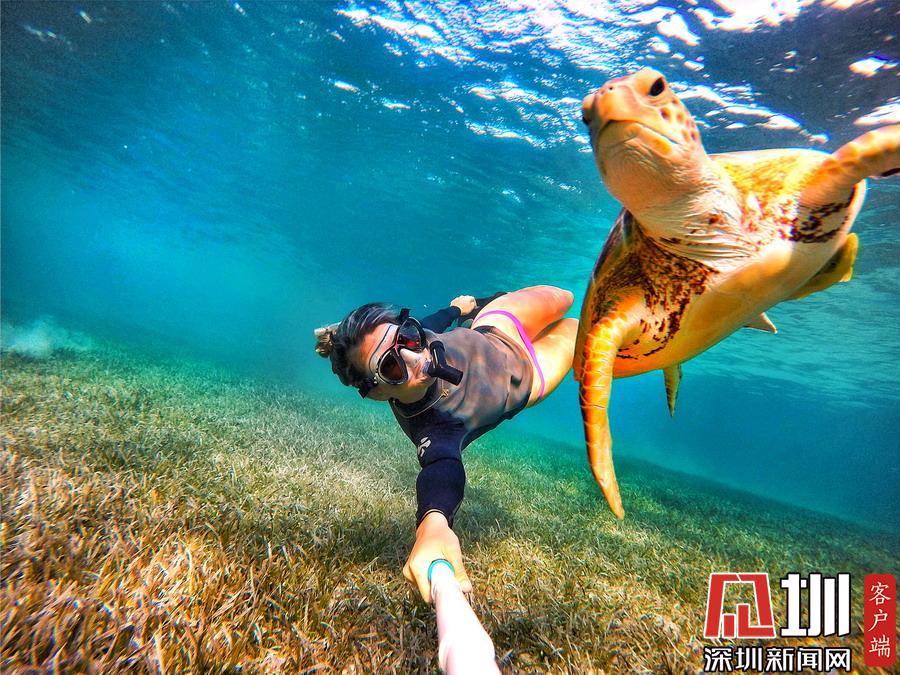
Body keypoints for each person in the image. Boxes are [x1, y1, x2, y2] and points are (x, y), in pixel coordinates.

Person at [314, 286, 577, 602]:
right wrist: (433, 523)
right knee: (577, 327)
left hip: (495, 325)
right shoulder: (435, 425)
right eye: (391, 366)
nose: (416, 356)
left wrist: (457, 310)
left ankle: (470, 314)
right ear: (377, 392)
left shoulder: (418, 336)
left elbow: (432, 322)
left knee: (565, 297)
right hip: (529, 373)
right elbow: (441, 467)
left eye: (407, 338)